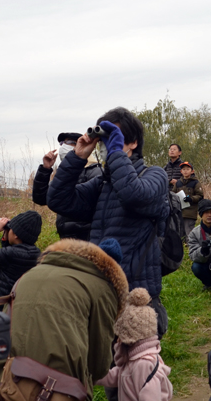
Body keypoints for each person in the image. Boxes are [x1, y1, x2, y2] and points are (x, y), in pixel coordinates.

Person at [0, 237, 128, 401]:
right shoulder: (102, 287)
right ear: (112, 271)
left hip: (10, 390)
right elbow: (99, 363)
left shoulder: (29, 275)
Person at [46, 107, 170, 336]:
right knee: (103, 368)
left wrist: (115, 154)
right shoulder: (104, 184)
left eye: (114, 138)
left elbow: (134, 193)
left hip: (137, 295)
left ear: (133, 142)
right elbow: (58, 200)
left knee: (137, 368)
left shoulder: (154, 175)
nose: (106, 146)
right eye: (104, 140)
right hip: (101, 291)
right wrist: (77, 157)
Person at [95, 287, 179, 401]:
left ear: (129, 338)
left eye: (119, 336)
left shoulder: (143, 364)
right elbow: (115, 376)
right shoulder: (132, 362)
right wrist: (90, 377)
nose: (116, 340)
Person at [32, 132, 103, 240]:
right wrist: (45, 170)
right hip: (66, 237)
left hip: (87, 238)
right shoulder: (64, 174)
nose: (63, 146)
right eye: (62, 143)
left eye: (68, 142)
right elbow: (41, 198)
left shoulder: (94, 171)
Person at [0, 210, 42, 311]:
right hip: (24, 306)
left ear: (16, 234)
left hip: (4, 305)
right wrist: (6, 237)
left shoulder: (10, 255)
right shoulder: (37, 253)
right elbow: (16, 251)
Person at [175, 162, 203, 237]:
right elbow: (172, 194)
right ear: (181, 171)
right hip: (179, 212)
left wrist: (191, 199)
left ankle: (191, 248)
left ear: (192, 171)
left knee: (190, 234)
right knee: (179, 235)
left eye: (188, 169)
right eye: (183, 169)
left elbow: (200, 196)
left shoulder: (195, 182)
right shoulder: (178, 183)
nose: (185, 171)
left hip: (190, 213)